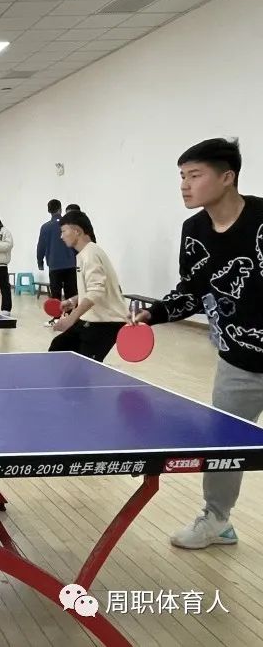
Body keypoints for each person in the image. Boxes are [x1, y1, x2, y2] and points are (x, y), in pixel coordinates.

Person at [132, 138, 262, 550]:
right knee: (223, 445)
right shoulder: (194, 231)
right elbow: (192, 289)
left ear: (227, 177)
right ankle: (217, 521)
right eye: (182, 176)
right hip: (238, 362)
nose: (185, 185)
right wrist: (154, 313)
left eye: (195, 175)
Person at [47, 210, 127, 361]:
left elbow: (96, 291)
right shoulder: (85, 253)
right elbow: (94, 288)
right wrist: (73, 300)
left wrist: (71, 319)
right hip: (92, 318)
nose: (61, 236)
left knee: (85, 364)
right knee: (59, 346)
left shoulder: (91, 254)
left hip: (106, 322)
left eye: (64, 231)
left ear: (77, 231)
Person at [37, 199, 78, 310]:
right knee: (71, 293)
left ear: (49, 211)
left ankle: (56, 317)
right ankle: (72, 317)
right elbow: (76, 244)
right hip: (70, 264)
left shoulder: (45, 227)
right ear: (60, 209)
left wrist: (40, 262)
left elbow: (41, 246)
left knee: (55, 295)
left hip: (54, 265)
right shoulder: (70, 225)